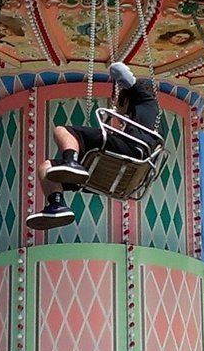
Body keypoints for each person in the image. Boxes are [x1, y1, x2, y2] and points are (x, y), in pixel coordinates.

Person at [26, 61, 162, 231]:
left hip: (131, 151)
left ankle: (71, 161)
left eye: (117, 102)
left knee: (63, 131)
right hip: (125, 174)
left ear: (126, 100)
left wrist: (114, 70)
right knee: (46, 168)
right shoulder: (146, 122)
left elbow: (119, 69)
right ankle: (56, 205)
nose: (115, 106)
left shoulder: (145, 100)